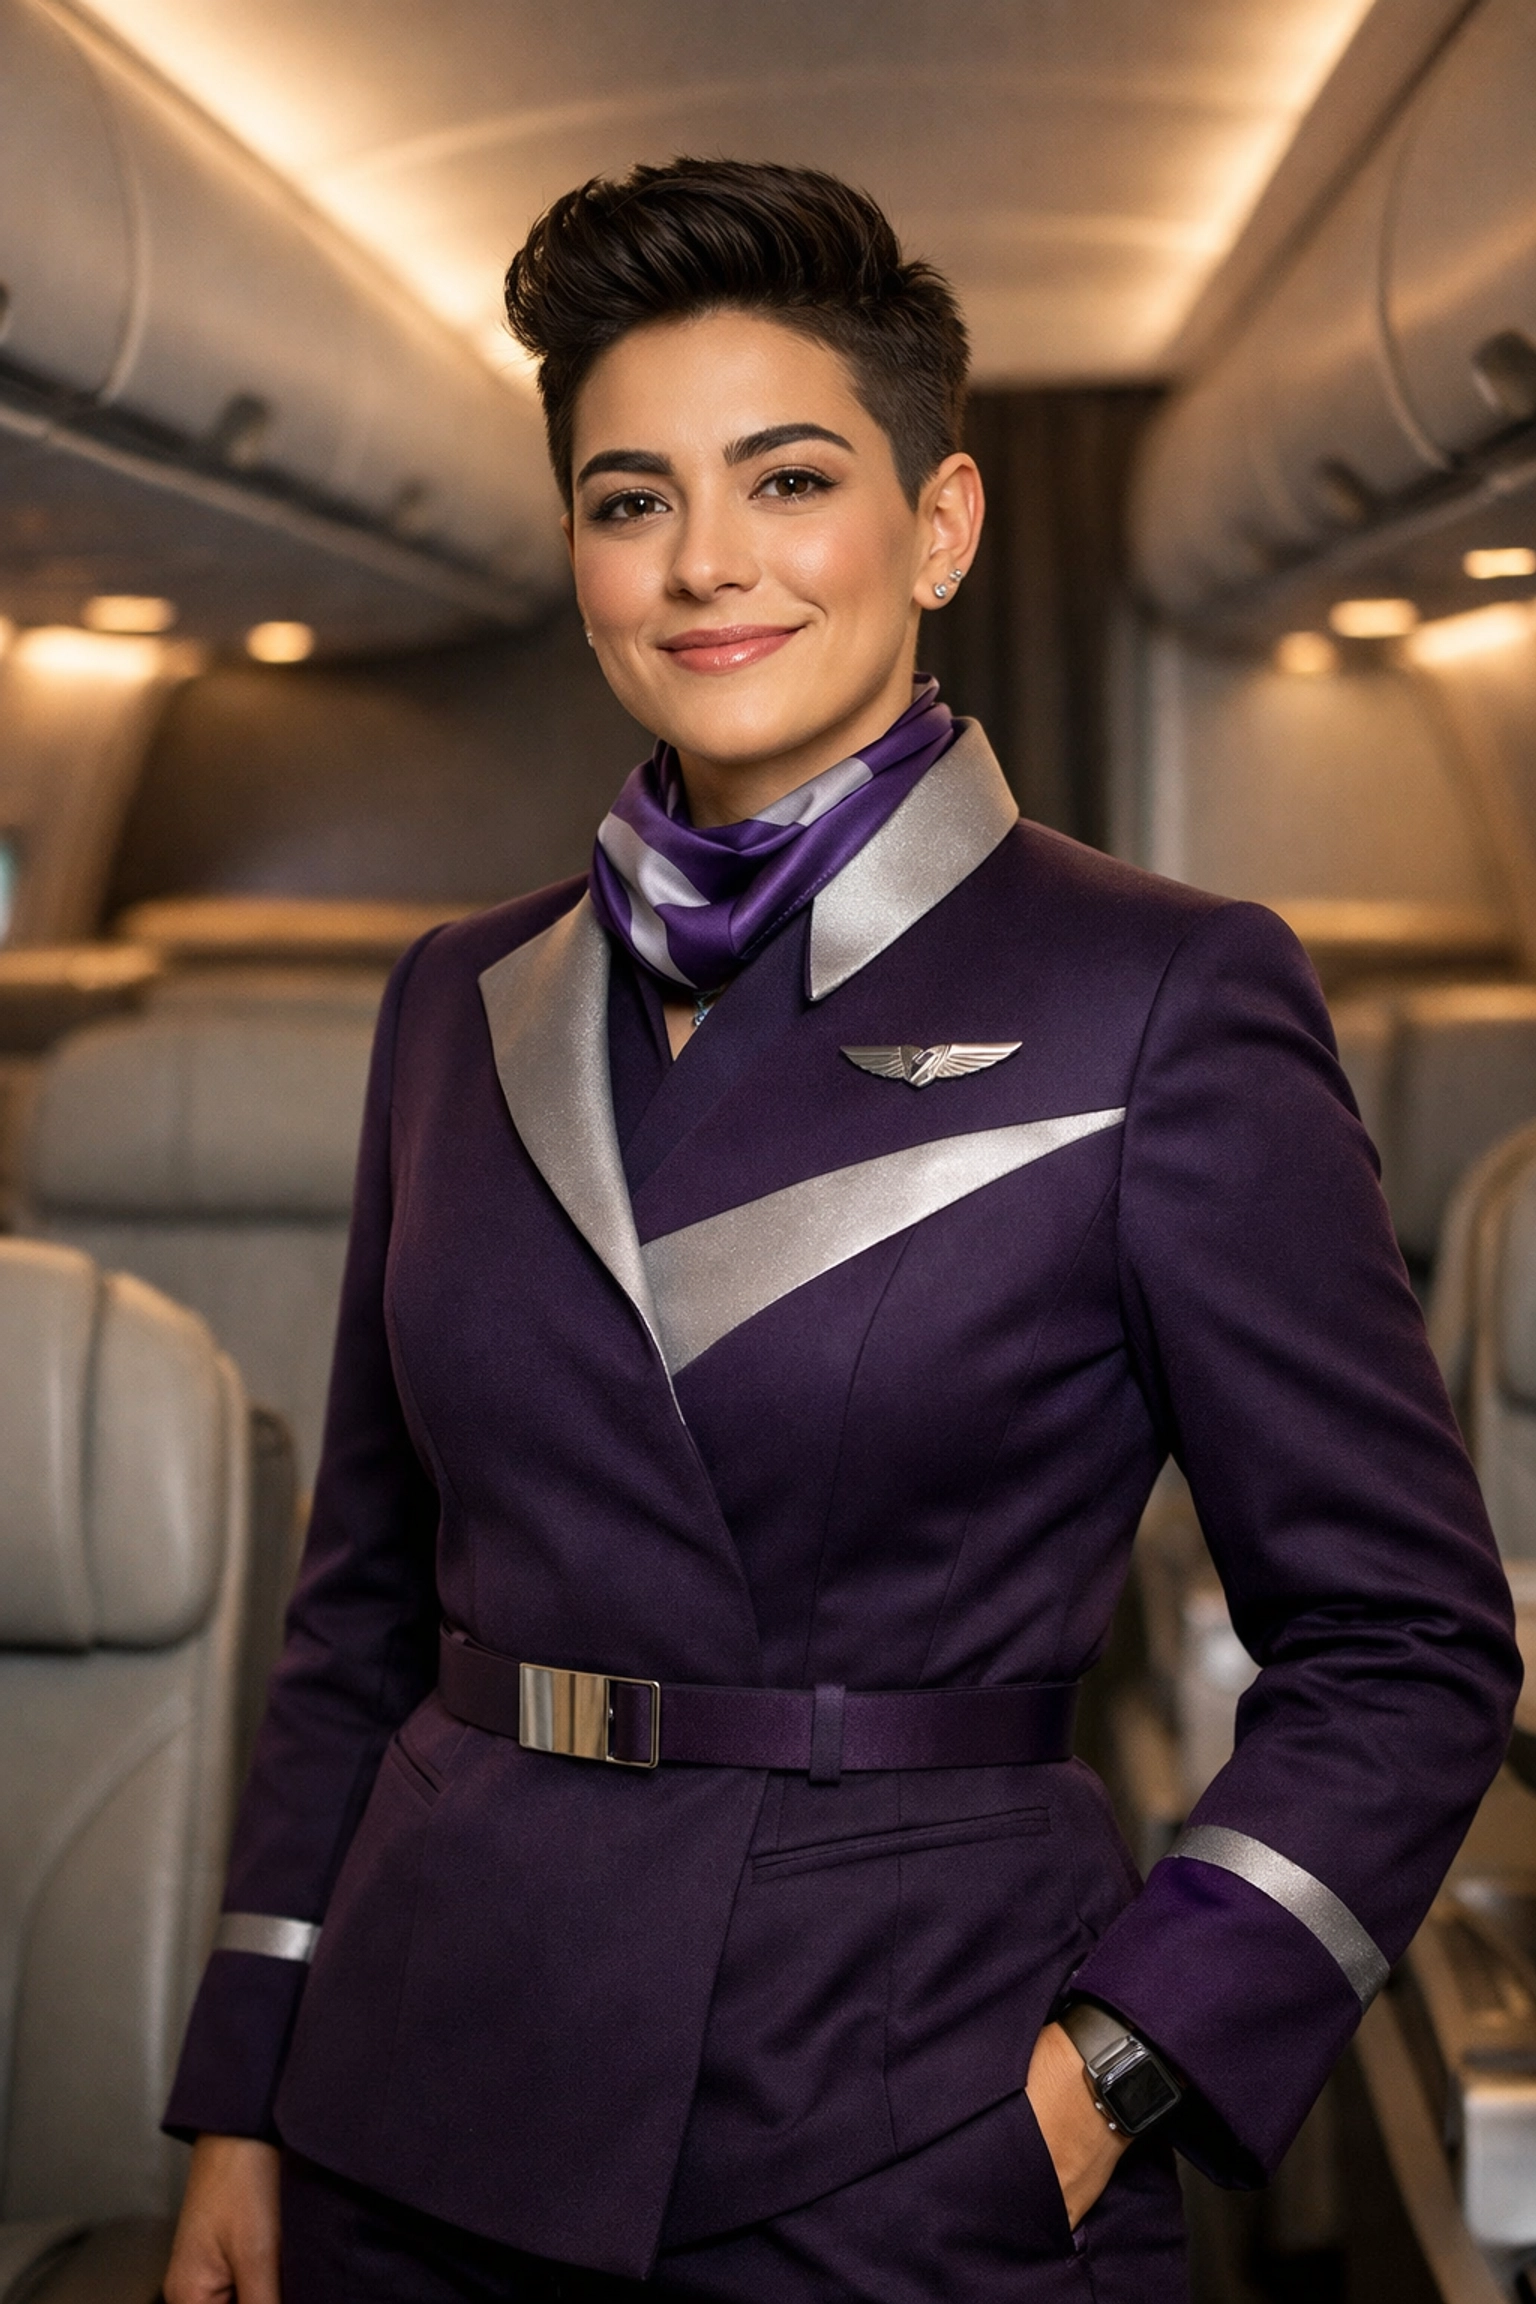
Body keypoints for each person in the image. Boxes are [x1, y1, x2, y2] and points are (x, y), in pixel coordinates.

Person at [162, 158, 1519, 2304]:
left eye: (788, 480)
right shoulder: (463, 1000)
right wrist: (245, 2084)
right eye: (630, 500)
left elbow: (1407, 1648)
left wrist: (1110, 2083)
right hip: (410, 2102)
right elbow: (356, 1614)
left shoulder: (1160, 992)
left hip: (896, 2122)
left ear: (944, 523)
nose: (706, 563)